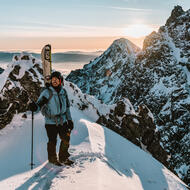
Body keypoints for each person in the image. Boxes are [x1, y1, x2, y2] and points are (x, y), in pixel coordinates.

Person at [29, 71, 74, 166]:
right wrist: (34, 107)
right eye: (53, 79)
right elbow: (39, 105)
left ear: (60, 80)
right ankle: (52, 159)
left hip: (62, 120)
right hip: (50, 122)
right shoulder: (47, 92)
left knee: (66, 138)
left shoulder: (63, 92)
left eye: (56, 79)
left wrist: (69, 120)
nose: (54, 81)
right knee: (52, 141)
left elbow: (67, 108)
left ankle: (63, 158)